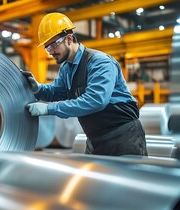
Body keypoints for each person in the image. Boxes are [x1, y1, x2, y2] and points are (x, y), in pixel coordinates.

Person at [22, 12, 147, 156]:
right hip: (95, 140)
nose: (51, 52)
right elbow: (57, 92)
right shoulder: (66, 68)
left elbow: (96, 100)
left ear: (69, 39)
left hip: (123, 137)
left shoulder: (100, 62)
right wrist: (38, 89)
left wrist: (48, 109)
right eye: (47, 48)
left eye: (54, 45)